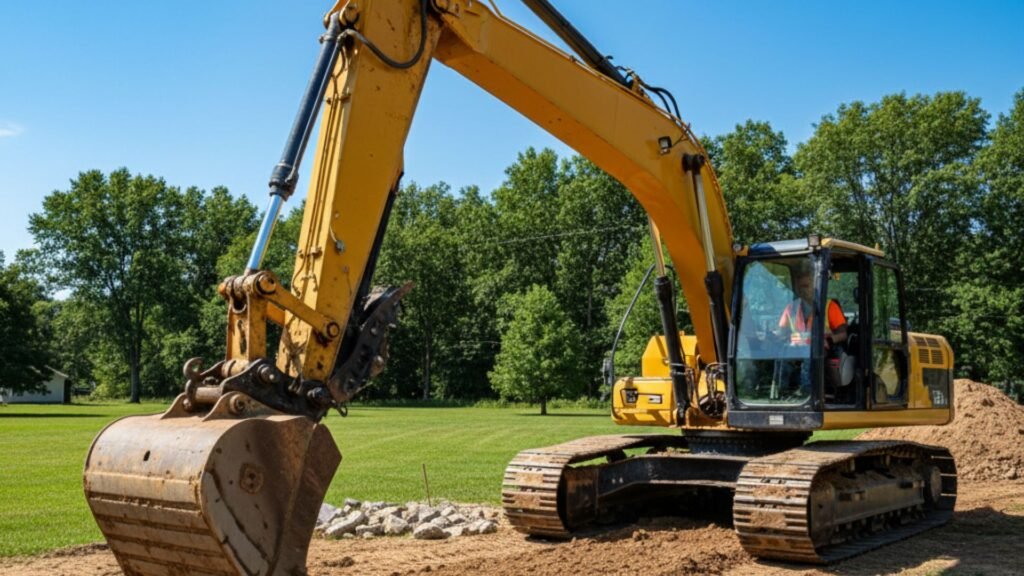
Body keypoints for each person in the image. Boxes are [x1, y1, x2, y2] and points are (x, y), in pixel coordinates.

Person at [778, 265, 848, 350]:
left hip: (821, 356)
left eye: (805, 286)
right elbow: (781, 334)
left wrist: (829, 341)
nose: (801, 290)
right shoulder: (791, 308)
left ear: (815, 286)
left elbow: (843, 334)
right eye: (799, 287)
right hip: (796, 355)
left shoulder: (829, 306)